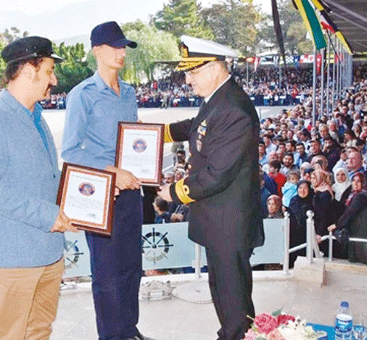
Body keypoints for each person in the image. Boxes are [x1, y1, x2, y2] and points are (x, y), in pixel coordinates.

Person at [0, 36, 77, 340]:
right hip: (15, 258)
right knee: (10, 335)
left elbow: (45, 176)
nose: (54, 79)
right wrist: (47, 216)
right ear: (29, 70)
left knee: (40, 331)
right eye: (49, 70)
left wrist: (80, 198)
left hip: (49, 251)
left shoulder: (36, 117)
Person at [159, 36, 264, 340]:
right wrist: (159, 133)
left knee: (233, 297)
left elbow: (217, 174)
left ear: (215, 68)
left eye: (193, 72)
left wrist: (174, 191)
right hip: (220, 219)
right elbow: (199, 125)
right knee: (223, 289)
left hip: (228, 220)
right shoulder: (220, 99)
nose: (187, 79)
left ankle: (236, 336)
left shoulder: (233, 109)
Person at [61, 21, 151, 340]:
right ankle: (112, 336)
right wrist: (113, 172)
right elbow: (70, 151)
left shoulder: (128, 93)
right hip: (101, 196)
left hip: (131, 192)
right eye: (115, 47)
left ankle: (129, 329)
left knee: (131, 266)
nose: (122, 52)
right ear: (97, 50)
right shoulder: (82, 95)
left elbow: (130, 139)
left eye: (124, 46)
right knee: (107, 274)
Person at [328, 173, 367, 263]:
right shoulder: (356, 195)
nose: (355, 183)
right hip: (359, 230)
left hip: (361, 231)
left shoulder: (362, 196)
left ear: (364, 183)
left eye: (359, 181)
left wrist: (337, 225)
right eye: (354, 181)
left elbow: (350, 212)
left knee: (360, 256)